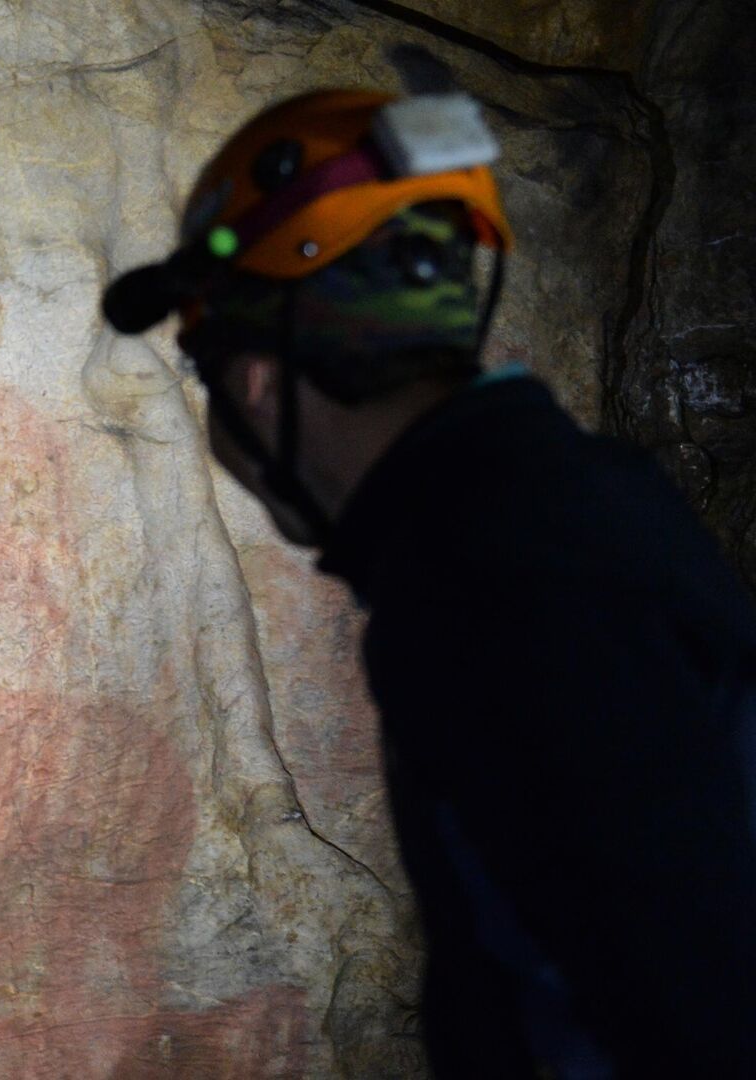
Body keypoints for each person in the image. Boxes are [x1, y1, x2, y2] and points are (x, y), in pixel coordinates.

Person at [103, 88, 756, 1076]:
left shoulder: (497, 581)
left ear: (256, 383)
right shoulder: (568, 509)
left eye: (204, 375)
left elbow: (690, 1009)